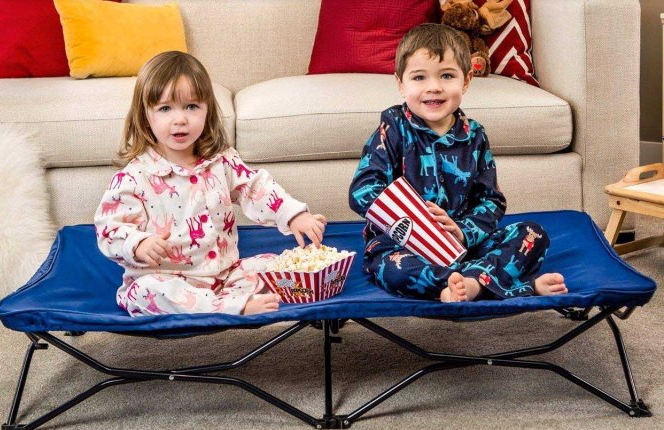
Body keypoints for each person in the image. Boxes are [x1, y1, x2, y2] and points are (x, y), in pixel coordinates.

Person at [95, 51, 326, 316]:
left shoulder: (222, 160)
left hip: (227, 277)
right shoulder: (135, 177)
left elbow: (255, 188)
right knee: (146, 291)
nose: (180, 119)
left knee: (276, 264)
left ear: (207, 111)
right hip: (169, 281)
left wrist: (294, 214)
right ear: (146, 116)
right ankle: (230, 308)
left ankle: (232, 300)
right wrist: (138, 244)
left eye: (191, 107)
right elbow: (109, 228)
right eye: (165, 108)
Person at [348, 24, 567, 302]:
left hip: (463, 245)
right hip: (402, 244)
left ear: (466, 81)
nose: (434, 87)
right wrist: (416, 220)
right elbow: (361, 192)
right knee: (391, 268)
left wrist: (463, 232)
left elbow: (491, 201)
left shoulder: (475, 135)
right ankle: (491, 284)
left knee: (532, 234)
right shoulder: (391, 129)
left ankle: (471, 282)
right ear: (401, 84)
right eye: (419, 77)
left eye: (447, 76)